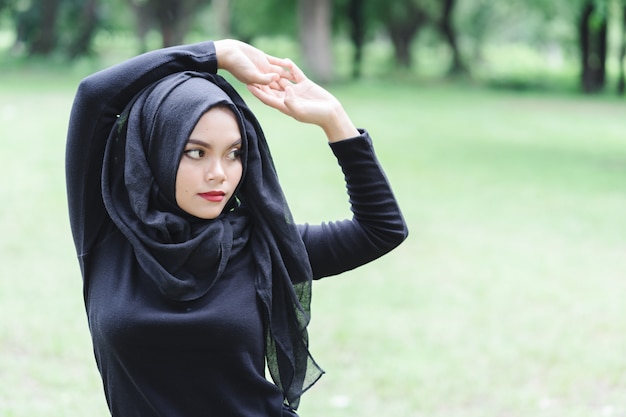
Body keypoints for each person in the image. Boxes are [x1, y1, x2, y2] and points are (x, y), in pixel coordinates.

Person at [65, 39, 408, 417]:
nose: (219, 175)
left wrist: (334, 119)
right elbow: (94, 97)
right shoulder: (108, 232)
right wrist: (218, 53)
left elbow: (381, 229)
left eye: (234, 153)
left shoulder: (259, 243)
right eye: (196, 152)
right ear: (157, 149)